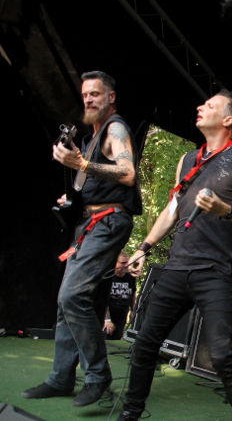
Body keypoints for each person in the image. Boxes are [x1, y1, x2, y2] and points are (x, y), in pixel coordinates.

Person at [116, 89, 232, 421]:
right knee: (144, 345)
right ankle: (130, 413)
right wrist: (143, 248)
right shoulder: (188, 160)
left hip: (215, 272)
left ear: (228, 119)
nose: (200, 107)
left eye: (210, 105)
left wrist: (224, 210)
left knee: (222, 357)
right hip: (176, 267)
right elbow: (172, 209)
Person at [22, 71, 142, 407]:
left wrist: (82, 163)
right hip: (89, 222)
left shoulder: (116, 128)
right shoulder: (91, 138)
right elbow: (90, 182)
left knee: (72, 296)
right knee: (67, 301)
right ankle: (61, 378)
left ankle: (97, 376)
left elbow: (127, 172)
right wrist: (73, 198)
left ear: (111, 97)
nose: (88, 99)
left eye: (95, 94)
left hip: (108, 222)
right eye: (85, 94)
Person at [103, 252, 137, 340]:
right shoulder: (108, 276)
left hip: (121, 316)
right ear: (115, 263)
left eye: (127, 262)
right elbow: (102, 299)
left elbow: (133, 294)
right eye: (122, 263)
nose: (126, 265)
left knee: (116, 340)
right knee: (106, 338)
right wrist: (107, 320)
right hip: (107, 316)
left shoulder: (130, 276)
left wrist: (133, 311)